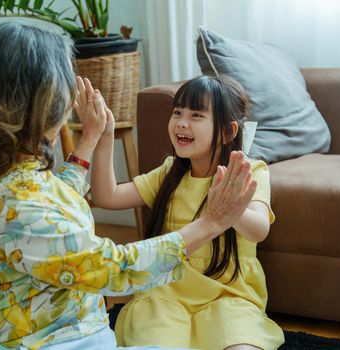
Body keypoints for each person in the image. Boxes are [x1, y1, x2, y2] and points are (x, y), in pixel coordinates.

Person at [0, 22, 256, 350]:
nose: (71, 96)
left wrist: (89, 139)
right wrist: (211, 222)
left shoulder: (5, 180)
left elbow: (53, 205)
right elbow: (118, 270)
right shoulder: (21, 206)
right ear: (44, 99)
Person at [91, 75, 285, 350]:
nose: (182, 122)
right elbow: (105, 195)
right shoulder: (169, 173)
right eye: (177, 113)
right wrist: (104, 136)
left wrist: (230, 209)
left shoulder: (250, 172)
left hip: (229, 296)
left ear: (228, 132)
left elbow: (259, 230)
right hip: (165, 295)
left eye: (196, 115)